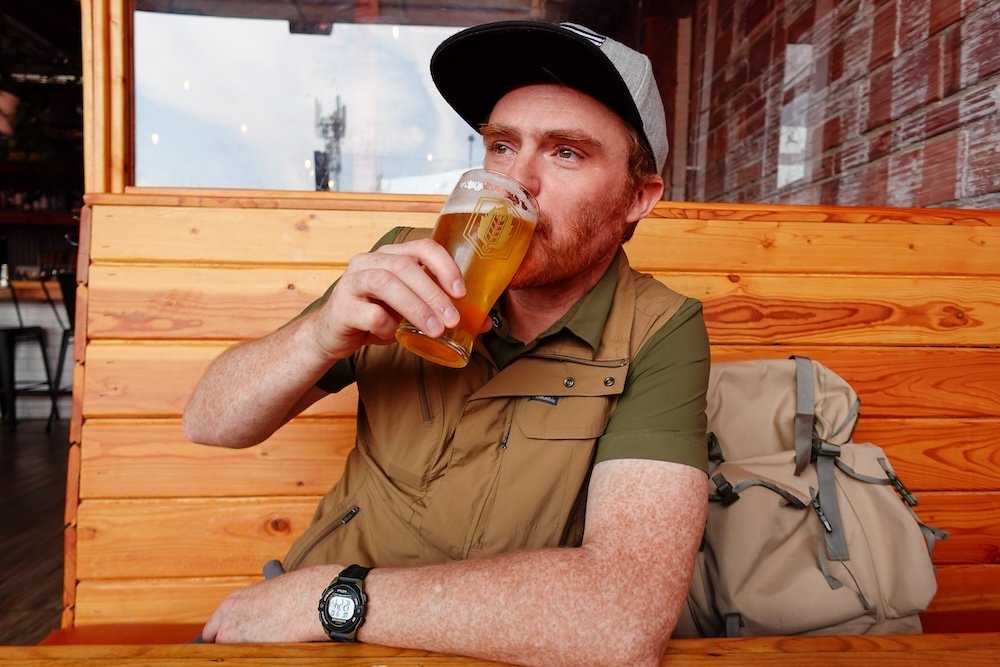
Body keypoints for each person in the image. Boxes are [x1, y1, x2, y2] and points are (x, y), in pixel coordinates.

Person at [183, 20, 709, 667]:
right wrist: (318, 337)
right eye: (501, 146)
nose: (519, 182)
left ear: (639, 197)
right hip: (308, 643)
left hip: (409, 633)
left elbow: (621, 619)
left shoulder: (660, 328)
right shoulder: (405, 266)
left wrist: (331, 597)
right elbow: (208, 421)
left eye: (565, 152)